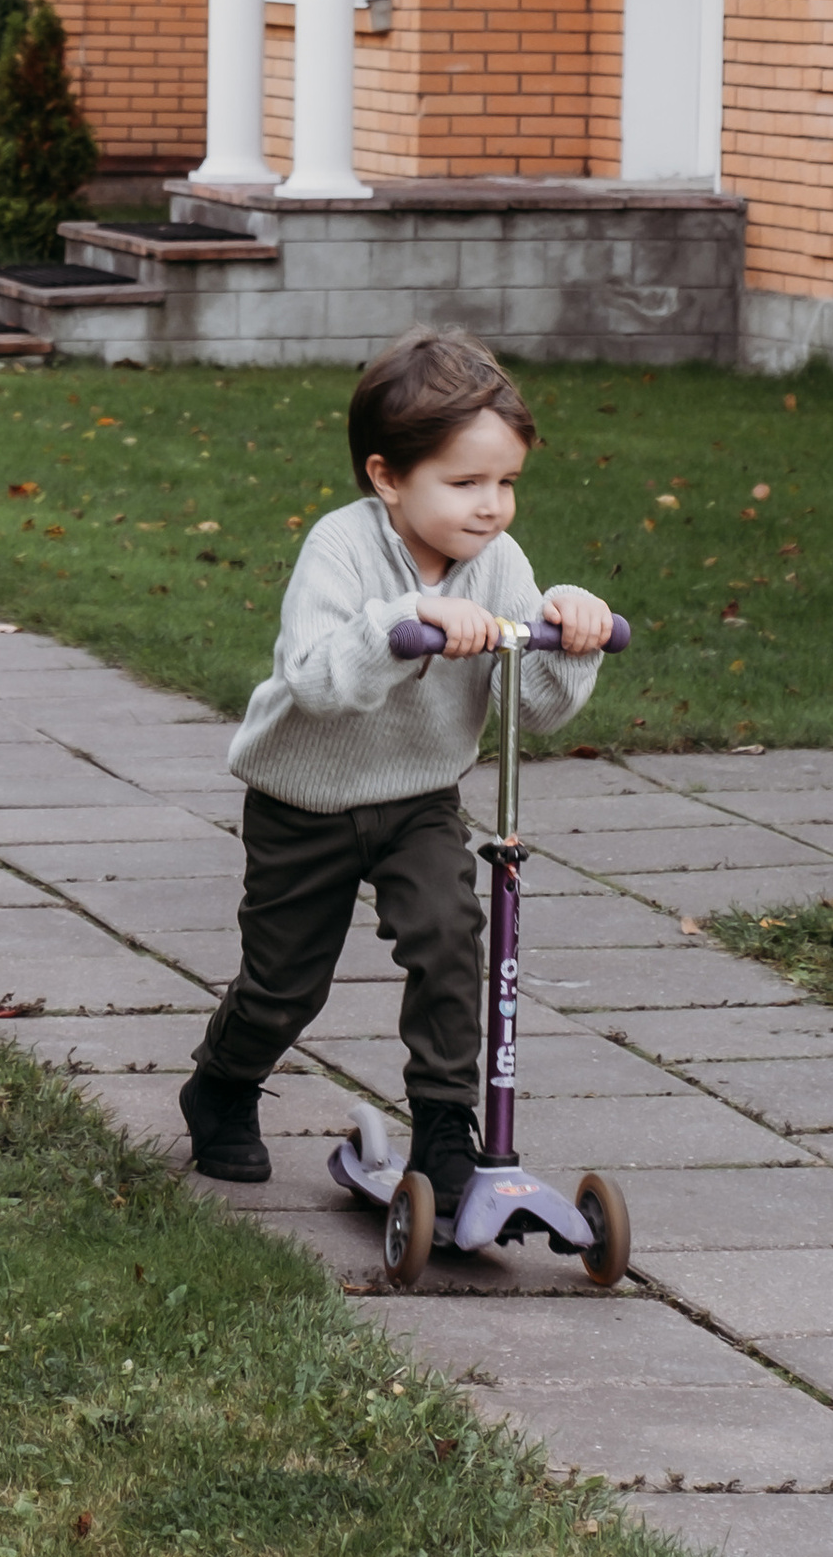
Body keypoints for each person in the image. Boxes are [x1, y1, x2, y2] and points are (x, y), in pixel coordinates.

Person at [178, 328, 614, 1216]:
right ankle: (223, 1082)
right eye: (465, 483)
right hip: (306, 801)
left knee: (452, 941)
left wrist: (570, 636)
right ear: (388, 477)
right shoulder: (340, 549)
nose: (491, 507)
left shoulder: (499, 563)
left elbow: (530, 709)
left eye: (507, 483)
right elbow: (314, 678)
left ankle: (447, 1130)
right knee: (285, 983)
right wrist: (402, 622)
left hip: (420, 798)